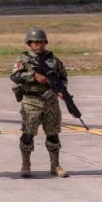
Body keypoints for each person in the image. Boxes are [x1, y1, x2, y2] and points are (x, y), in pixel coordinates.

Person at [10, 28, 70, 178]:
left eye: (42, 42)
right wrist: (33, 76)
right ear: (29, 43)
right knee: (28, 134)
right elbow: (15, 76)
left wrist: (60, 89)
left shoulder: (54, 60)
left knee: (53, 134)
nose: (39, 45)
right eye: (36, 42)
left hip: (50, 101)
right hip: (31, 101)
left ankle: (55, 166)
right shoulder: (22, 60)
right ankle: (26, 165)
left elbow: (63, 78)